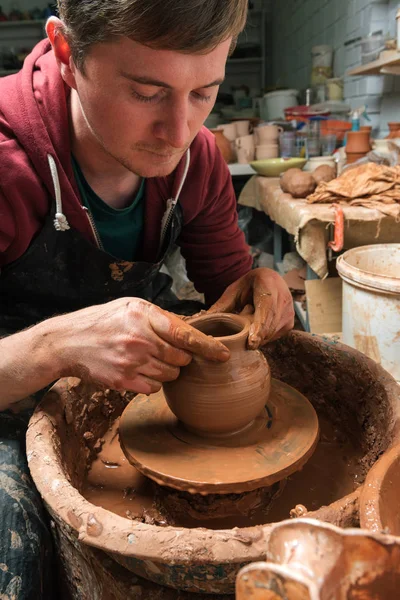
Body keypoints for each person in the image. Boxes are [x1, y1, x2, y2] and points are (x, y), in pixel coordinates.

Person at [0, 0, 294, 596]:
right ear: (66, 54)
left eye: (204, 93)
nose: (179, 131)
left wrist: (260, 291)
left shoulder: (197, 160)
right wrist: (56, 345)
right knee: (15, 539)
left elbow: (230, 298)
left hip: (128, 357)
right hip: (10, 380)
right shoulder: (7, 163)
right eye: (146, 92)